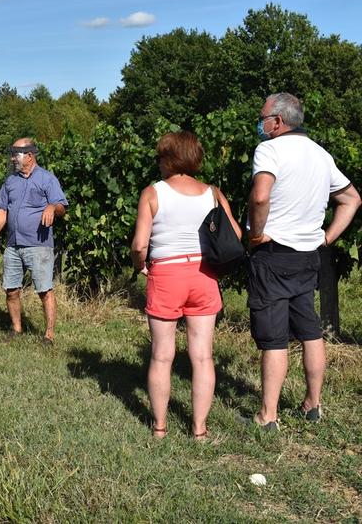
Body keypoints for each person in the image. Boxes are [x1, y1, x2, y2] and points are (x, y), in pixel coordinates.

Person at [246, 93, 361, 430]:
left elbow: (261, 194)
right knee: (310, 331)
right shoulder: (320, 154)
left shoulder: (269, 149)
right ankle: (313, 404)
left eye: (263, 116)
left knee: (274, 338)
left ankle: (268, 416)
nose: (261, 122)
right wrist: (327, 237)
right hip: (309, 257)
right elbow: (352, 199)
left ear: (278, 122)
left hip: (273, 254)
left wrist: (256, 232)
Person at [131, 131, 241, 439]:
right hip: (204, 274)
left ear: (168, 159)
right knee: (203, 356)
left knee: (162, 355)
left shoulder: (152, 193)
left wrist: (140, 265)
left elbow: (140, 245)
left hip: (166, 274)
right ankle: (200, 430)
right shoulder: (212, 192)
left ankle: (160, 427)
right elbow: (236, 235)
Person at [0, 138, 68, 344]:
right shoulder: (10, 181)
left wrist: (52, 207)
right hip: (13, 245)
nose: (12, 158)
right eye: (12, 154)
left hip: (38, 245)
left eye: (16, 153)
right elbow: (3, 210)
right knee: (11, 289)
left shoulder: (47, 179)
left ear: (30, 156)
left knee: (44, 290)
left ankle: (49, 335)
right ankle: (16, 329)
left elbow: (61, 206)